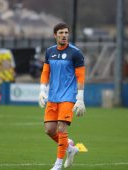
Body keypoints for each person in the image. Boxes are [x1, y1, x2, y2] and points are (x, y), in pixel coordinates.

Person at [38, 23, 86, 170]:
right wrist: (42, 90)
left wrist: (80, 98)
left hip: (68, 96)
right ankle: (70, 149)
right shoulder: (49, 52)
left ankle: (58, 164)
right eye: (61, 33)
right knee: (49, 130)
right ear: (55, 35)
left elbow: (80, 76)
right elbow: (45, 72)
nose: (64, 35)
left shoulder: (75, 53)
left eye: (66, 33)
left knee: (61, 128)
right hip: (53, 96)